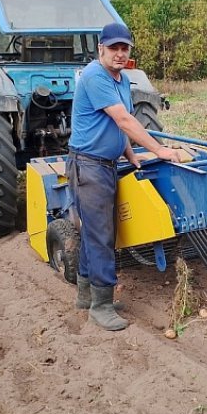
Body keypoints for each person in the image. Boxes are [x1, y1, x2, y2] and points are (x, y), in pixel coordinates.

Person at [68, 22, 180, 331]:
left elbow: (118, 127)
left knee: (97, 232)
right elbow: (123, 119)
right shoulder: (95, 76)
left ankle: (85, 295)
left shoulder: (122, 79)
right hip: (88, 166)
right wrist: (159, 149)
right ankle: (100, 305)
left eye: (124, 48)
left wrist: (132, 157)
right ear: (100, 49)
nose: (119, 53)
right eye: (114, 48)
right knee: (101, 236)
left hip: (105, 164)